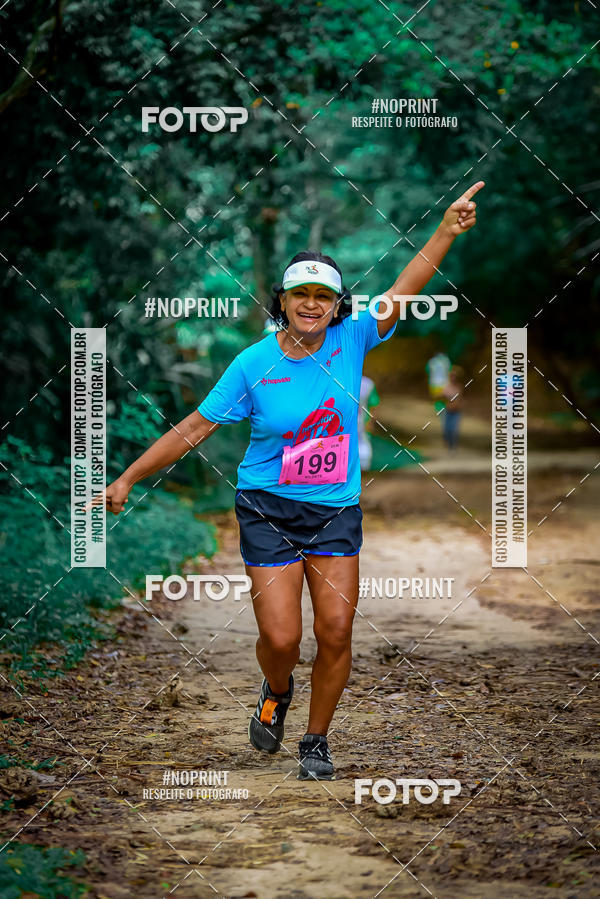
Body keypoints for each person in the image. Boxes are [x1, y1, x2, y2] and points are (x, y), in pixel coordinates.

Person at [102, 181, 484, 780]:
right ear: (281, 301)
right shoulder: (253, 363)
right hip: (267, 509)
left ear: (337, 304)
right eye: (300, 294)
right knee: (281, 639)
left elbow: (405, 289)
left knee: (335, 631)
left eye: (322, 295)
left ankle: (316, 740)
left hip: (334, 511)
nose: (311, 304)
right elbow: (195, 427)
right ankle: (276, 690)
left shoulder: (353, 338)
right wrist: (127, 478)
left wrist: (445, 231)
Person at [357, 375, 380, 471]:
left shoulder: (367, 384)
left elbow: (373, 405)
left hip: (362, 425)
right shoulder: (367, 383)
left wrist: (370, 422)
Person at [441, 365, 464, 451]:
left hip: (456, 411)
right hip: (448, 411)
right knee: (447, 429)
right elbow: (442, 396)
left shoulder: (459, 387)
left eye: (454, 376)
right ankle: (448, 443)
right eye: (451, 376)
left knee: (454, 430)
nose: (453, 378)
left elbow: (460, 399)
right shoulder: (446, 387)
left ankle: (453, 446)